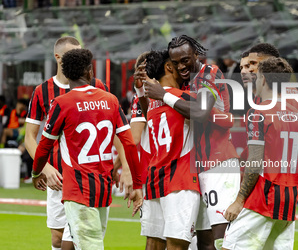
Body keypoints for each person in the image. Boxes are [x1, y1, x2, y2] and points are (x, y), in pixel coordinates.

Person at [31, 48, 143, 250]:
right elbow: (129, 144)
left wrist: (36, 172)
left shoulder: (61, 103)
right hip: (103, 188)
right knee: (73, 242)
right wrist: (136, 182)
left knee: (89, 246)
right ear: (90, 72)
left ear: (67, 74)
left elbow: (43, 147)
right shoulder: (111, 100)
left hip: (77, 189)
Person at [142, 35, 239, 250]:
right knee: (202, 241)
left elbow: (202, 112)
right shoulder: (184, 84)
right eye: (175, 63)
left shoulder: (209, 73)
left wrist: (163, 94)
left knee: (219, 238)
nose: (181, 66)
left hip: (217, 163)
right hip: (195, 167)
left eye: (185, 60)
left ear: (197, 54)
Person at [25, 36, 107, 250]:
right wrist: (45, 167)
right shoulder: (42, 91)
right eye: (72, 54)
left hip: (88, 176)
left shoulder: (98, 86)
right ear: (58, 57)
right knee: (58, 239)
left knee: (82, 238)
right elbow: (29, 138)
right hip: (57, 177)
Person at [222, 57, 298, 250]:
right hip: (289, 198)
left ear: (264, 79)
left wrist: (239, 200)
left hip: (264, 198)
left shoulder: (258, 112)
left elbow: (255, 160)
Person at [137, 49, 200, 250]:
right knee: (177, 245)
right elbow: (205, 113)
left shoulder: (152, 103)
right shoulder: (182, 97)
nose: (182, 68)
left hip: (155, 179)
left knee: (153, 244)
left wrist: (141, 90)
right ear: (168, 67)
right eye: (176, 63)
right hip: (180, 181)